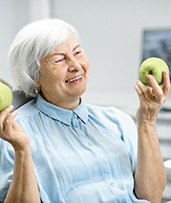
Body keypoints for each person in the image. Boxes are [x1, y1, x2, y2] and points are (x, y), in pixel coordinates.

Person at [0, 18, 170, 203]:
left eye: (78, 52)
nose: (75, 65)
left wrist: (147, 120)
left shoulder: (117, 121)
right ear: (34, 76)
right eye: (59, 59)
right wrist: (22, 149)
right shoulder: (16, 133)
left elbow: (152, 196)